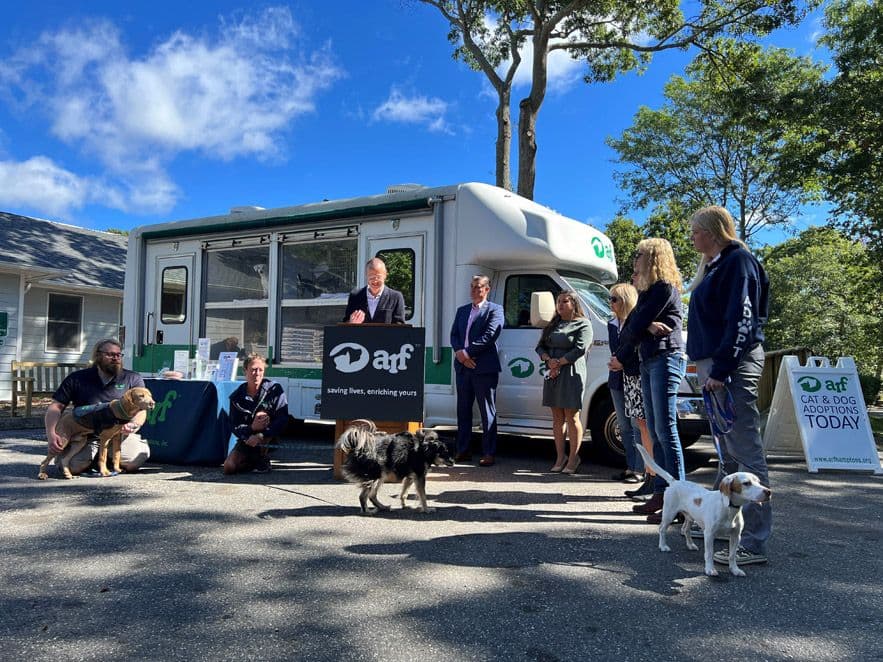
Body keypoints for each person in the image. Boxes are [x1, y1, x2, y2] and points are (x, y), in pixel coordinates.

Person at [687, 205, 772, 567]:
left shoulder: (738, 262)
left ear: (711, 232)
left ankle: (753, 541)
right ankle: (721, 522)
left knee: (745, 450)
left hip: (731, 365)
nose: (692, 238)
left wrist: (721, 369)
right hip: (715, 364)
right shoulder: (716, 265)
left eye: (695, 231)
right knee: (728, 452)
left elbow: (743, 318)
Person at [610, 238, 686, 524]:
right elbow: (630, 326)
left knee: (666, 430)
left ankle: (679, 501)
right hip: (649, 360)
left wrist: (641, 325)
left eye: (639, 254)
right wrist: (646, 325)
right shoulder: (647, 292)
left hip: (665, 359)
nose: (635, 259)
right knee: (655, 430)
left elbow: (633, 326)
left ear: (654, 257)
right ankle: (662, 492)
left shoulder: (664, 288)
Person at [44, 338, 151, 476]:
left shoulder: (131, 378)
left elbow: (142, 409)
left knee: (134, 461)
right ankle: (91, 458)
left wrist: (134, 424)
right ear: (97, 355)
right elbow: (56, 407)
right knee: (73, 467)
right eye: (110, 354)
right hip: (86, 434)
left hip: (118, 434)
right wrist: (51, 434)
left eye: (119, 355)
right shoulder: (77, 378)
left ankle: (105, 459)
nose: (116, 358)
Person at [535, 291, 592, 474]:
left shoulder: (583, 324)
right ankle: (560, 457)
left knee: (572, 415)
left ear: (574, 304)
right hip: (553, 372)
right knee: (557, 417)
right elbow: (540, 346)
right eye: (558, 301)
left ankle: (574, 458)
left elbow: (580, 348)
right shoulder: (553, 324)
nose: (560, 305)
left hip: (571, 372)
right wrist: (548, 359)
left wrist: (559, 362)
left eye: (564, 301)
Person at [450, 274, 503, 467]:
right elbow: (454, 335)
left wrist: (466, 353)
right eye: (472, 286)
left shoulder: (495, 310)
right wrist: (460, 354)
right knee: (463, 410)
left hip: (484, 368)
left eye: (478, 287)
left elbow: (490, 335)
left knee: (487, 411)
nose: (474, 290)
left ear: (487, 289)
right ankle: (463, 450)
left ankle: (488, 452)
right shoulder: (462, 310)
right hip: (463, 368)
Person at [607, 283, 652, 486]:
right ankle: (631, 466)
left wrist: (622, 362)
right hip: (617, 378)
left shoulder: (636, 322)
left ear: (625, 300)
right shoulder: (611, 323)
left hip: (634, 376)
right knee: (624, 425)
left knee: (637, 424)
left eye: (614, 299)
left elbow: (635, 349)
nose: (610, 303)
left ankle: (641, 469)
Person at [223, 354, 289, 475]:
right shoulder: (236, 397)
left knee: (262, 415)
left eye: (260, 370)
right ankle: (251, 462)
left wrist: (261, 435)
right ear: (245, 371)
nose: (257, 373)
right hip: (247, 437)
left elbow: (282, 418)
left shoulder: (274, 389)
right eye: (253, 369)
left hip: (268, 435)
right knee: (229, 467)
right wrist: (251, 430)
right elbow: (234, 425)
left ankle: (262, 458)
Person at [343, 257, 406, 324]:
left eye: (378, 277)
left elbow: (400, 326)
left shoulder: (396, 297)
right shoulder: (355, 296)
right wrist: (351, 323)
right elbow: (345, 323)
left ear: (385, 275)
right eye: (371, 277)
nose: (375, 281)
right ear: (366, 276)